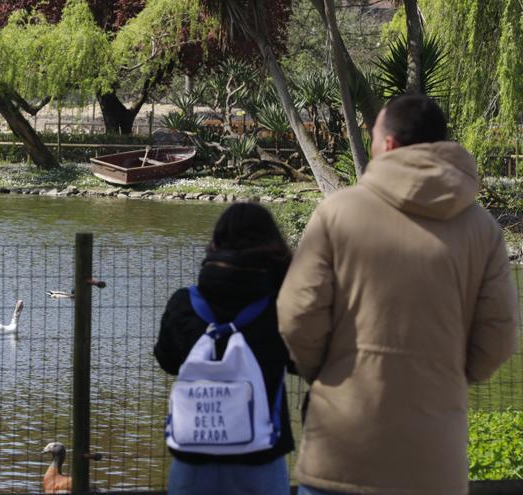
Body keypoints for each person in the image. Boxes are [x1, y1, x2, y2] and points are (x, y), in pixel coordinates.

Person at [277, 94, 520, 495]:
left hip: (341, 452)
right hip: (433, 462)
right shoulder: (483, 229)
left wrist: (326, 372)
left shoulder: (337, 213)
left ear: (387, 144)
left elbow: (297, 314)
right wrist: (449, 377)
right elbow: (499, 334)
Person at [155, 202, 295, 495]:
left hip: (193, 458)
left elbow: (167, 361)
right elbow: (301, 362)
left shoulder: (184, 304)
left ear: (215, 245)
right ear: (273, 247)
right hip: (260, 459)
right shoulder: (282, 307)